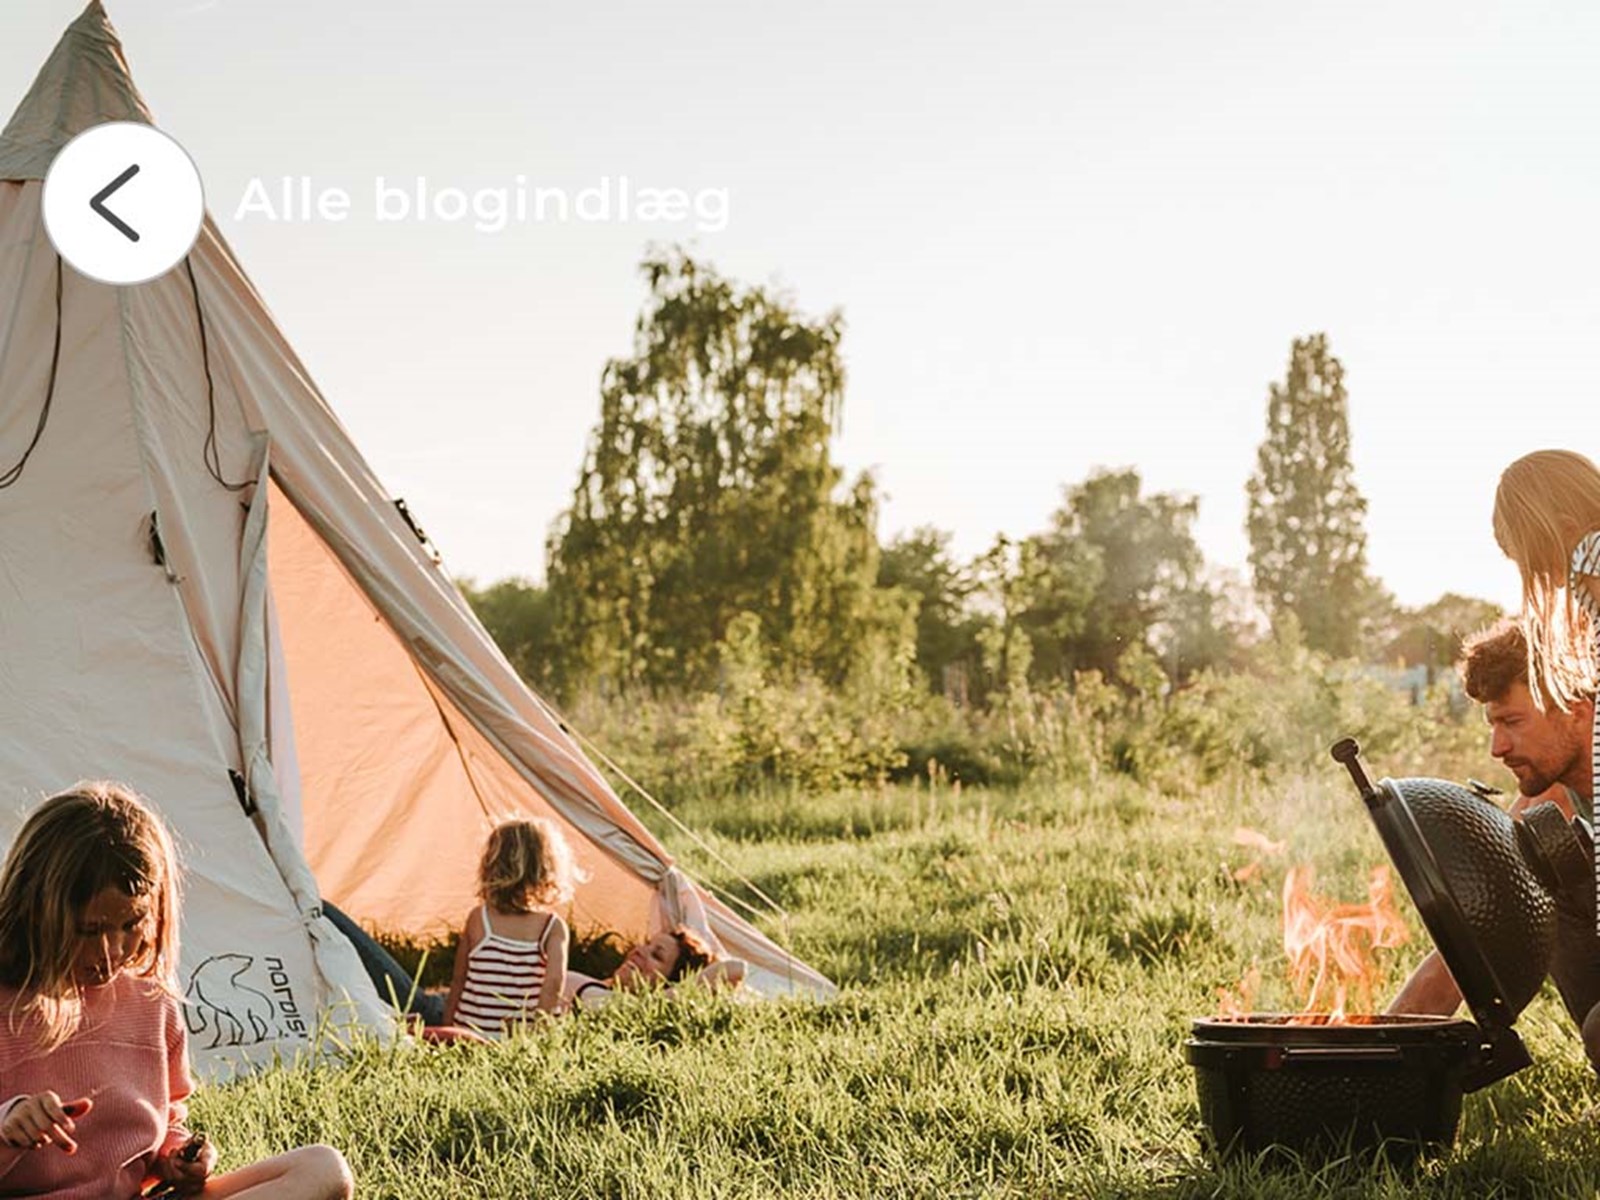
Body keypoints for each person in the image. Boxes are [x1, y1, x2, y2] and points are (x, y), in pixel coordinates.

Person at [0, 781, 353, 1199]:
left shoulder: (151, 1002)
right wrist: (10, 1127)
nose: (112, 951)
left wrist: (177, 1157)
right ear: (39, 910)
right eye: (90, 930)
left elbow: (167, 1119)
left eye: (131, 925)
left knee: (323, 1168)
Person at [1388, 620, 1600, 1067]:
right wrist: (1384, 1054)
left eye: (1513, 721)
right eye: (1492, 723)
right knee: (1541, 873)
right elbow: (1479, 923)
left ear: (1577, 710)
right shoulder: (1551, 800)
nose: (1497, 747)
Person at [442, 818, 576, 1038]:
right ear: (547, 869)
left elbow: (459, 979)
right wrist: (536, 1036)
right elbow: (553, 985)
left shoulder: (479, 918)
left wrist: (447, 1026)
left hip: (469, 1035)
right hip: (517, 1039)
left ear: (490, 866)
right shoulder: (552, 928)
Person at [565, 927, 745, 1011]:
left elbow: (736, 968)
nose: (639, 951)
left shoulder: (601, 998)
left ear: (669, 983)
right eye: (647, 945)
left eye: (656, 956)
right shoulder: (589, 987)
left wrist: (673, 996)